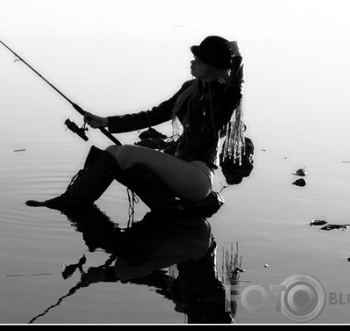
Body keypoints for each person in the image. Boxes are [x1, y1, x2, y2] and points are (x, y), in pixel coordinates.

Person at [27, 35, 244, 213]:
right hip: (180, 168)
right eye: (194, 57)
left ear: (212, 66)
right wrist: (106, 122)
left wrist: (236, 54)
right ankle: (166, 209)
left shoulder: (224, 98)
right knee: (119, 157)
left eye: (199, 60)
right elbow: (153, 115)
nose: (192, 61)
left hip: (197, 177)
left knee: (120, 153)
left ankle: (70, 203)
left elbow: (236, 84)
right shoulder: (190, 89)